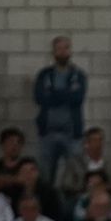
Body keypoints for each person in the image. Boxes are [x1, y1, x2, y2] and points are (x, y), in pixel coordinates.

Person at [33, 36, 88, 182]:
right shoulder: (44, 75)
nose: (62, 52)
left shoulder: (79, 75)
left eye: (66, 48)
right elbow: (39, 98)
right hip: (48, 133)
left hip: (71, 133)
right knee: (46, 175)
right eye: (59, 49)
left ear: (70, 51)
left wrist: (53, 94)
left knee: (77, 173)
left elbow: (78, 98)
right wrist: (66, 93)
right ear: (53, 52)